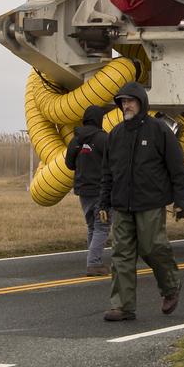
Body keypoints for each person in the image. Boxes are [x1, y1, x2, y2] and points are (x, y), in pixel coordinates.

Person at [98, 80, 184, 322]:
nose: (126, 105)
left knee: (152, 248)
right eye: (122, 102)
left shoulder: (159, 131)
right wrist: (103, 203)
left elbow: (178, 168)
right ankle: (123, 306)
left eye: (130, 101)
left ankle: (170, 287)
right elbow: (107, 173)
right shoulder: (115, 135)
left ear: (141, 102)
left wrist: (181, 201)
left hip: (151, 202)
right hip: (121, 205)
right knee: (121, 254)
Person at [65, 104, 110, 276]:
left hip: (83, 191)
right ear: (99, 119)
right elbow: (113, 163)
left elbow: (69, 164)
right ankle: (94, 263)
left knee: (92, 226)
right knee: (102, 227)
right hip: (101, 191)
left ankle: (94, 260)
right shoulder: (104, 139)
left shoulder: (75, 140)